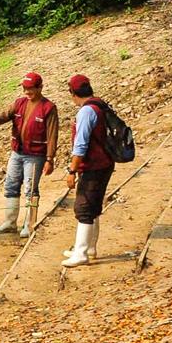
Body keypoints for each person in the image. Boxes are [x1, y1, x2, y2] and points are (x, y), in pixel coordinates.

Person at [0, 71, 59, 236]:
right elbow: (7, 114)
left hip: (35, 155)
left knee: (30, 189)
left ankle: (29, 224)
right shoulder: (19, 103)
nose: (27, 92)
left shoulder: (48, 108)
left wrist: (50, 159)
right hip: (17, 152)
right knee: (11, 185)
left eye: (31, 89)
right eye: (25, 88)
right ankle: (10, 222)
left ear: (40, 87)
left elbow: (52, 135)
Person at [63, 74, 115, 267]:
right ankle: (87, 247)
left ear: (72, 93)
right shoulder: (99, 104)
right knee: (93, 206)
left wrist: (71, 170)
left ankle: (82, 253)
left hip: (94, 165)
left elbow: (81, 145)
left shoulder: (86, 112)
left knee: (84, 208)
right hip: (104, 162)